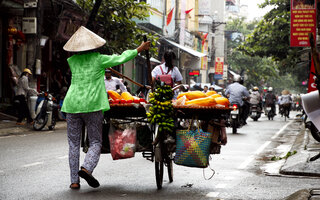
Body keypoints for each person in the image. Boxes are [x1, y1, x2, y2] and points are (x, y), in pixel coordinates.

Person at [61, 26, 150, 189]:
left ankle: (74, 181)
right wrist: (140, 48)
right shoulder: (99, 59)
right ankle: (86, 168)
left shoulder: (72, 61)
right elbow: (120, 58)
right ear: (94, 46)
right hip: (92, 104)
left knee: (73, 143)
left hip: (72, 105)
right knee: (95, 141)